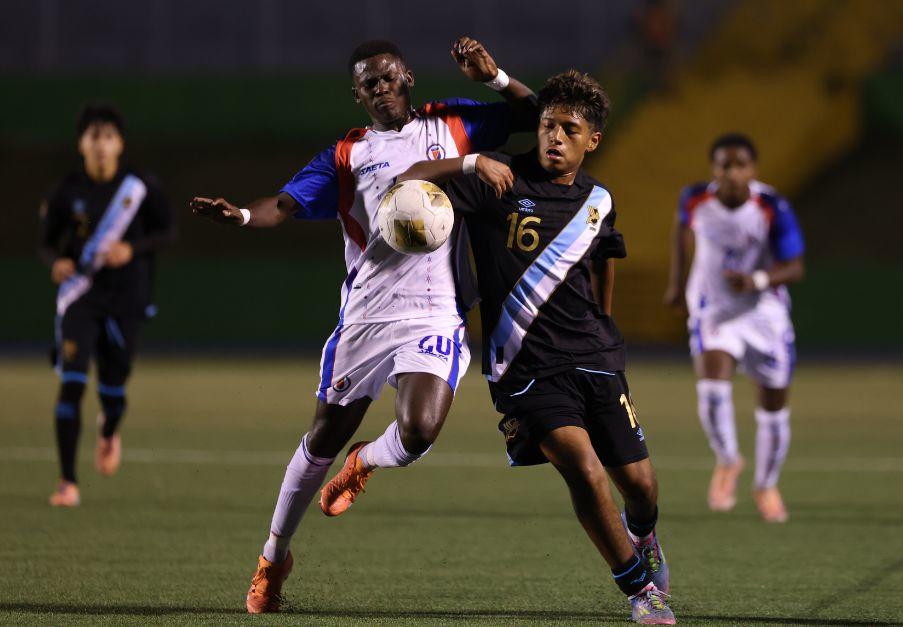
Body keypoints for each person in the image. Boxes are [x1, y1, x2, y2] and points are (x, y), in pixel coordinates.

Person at [191, 38, 536, 613]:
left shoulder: (453, 121)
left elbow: (532, 114)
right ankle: (273, 556)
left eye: (387, 77)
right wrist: (244, 215)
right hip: (368, 315)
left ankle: (367, 461)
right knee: (323, 436)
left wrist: (495, 76)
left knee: (420, 429)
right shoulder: (348, 155)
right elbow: (286, 204)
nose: (380, 87)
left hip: (434, 309)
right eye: (367, 83)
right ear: (357, 95)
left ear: (406, 77)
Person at [397, 70, 675, 625]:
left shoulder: (598, 200)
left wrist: (604, 327)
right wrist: (470, 161)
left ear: (591, 140)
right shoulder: (497, 179)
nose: (554, 137)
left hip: (595, 358)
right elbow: (408, 179)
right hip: (525, 366)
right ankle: (640, 592)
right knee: (582, 465)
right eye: (547, 124)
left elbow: (601, 262)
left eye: (569, 129)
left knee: (641, 488)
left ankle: (642, 534)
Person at [663, 133, 805, 523]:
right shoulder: (695, 198)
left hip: (764, 314)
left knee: (773, 408)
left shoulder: (771, 206)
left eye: (740, 165)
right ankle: (727, 460)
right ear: (714, 169)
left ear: (752, 170)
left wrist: (757, 280)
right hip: (714, 309)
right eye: (725, 165)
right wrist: (676, 284)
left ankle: (766, 484)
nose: (732, 173)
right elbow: (681, 231)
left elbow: (795, 266)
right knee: (711, 386)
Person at [40, 103, 176, 507]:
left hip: (127, 299)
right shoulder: (67, 190)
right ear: (81, 144)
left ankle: (108, 429)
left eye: (108, 137)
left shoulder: (140, 186)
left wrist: (131, 248)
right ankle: (67, 482)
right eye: (93, 137)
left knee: (113, 391)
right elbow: (47, 243)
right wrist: (57, 262)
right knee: (72, 383)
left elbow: (167, 232)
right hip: (81, 298)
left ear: (120, 144)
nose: (101, 145)